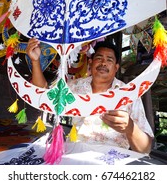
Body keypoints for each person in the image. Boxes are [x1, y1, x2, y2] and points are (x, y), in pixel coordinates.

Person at [26, 38, 154, 154]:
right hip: (74, 156)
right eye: (99, 58)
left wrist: (130, 128)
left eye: (109, 60)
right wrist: (35, 61)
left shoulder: (129, 95)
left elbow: (145, 149)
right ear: (91, 63)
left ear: (116, 67)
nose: (103, 63)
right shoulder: (74, 86)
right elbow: (44, 97)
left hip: (110, 163)